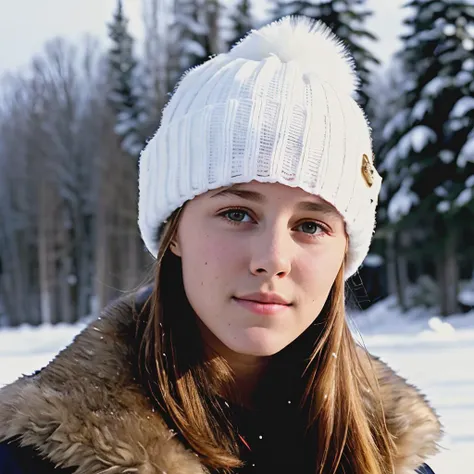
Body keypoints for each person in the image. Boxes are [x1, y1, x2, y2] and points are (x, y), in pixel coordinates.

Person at [0, 16, 441, 474]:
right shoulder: (34, 457)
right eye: (237, 214)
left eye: (310, 226)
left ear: (344, 254)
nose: (272, 259)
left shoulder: (393, 459)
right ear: (175, 234)